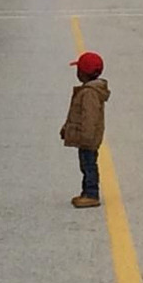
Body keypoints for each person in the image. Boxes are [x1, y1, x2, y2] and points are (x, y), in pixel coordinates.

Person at [60, 52, 110, 209]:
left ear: (82, 74)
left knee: (88, 165)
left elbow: (89, 116)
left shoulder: (89, 93)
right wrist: (66, 128)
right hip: (86, 137)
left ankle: (91, 193)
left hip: (87, 138)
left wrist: (86, 137)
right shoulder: (88, 90)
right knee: (85, 164)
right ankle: (86, 191)